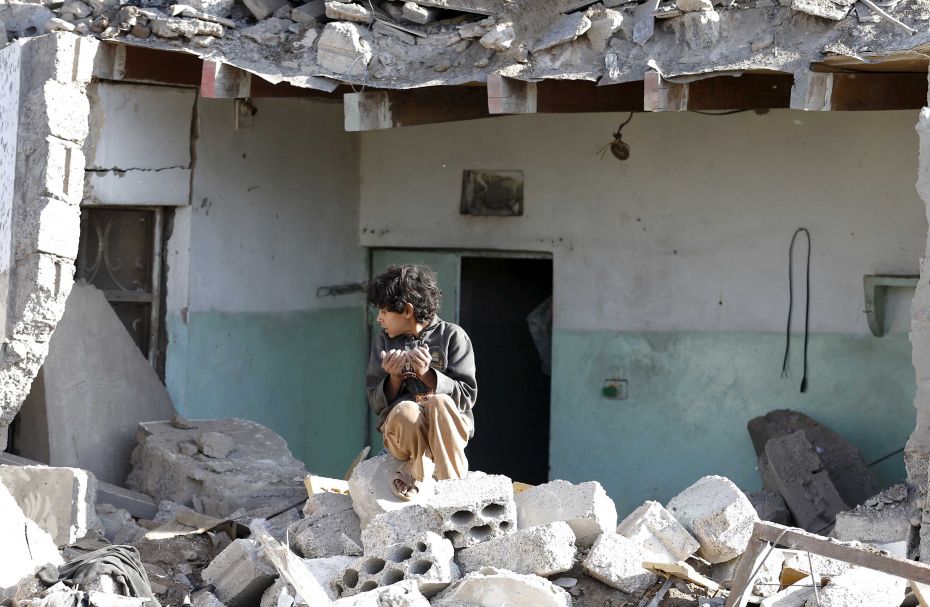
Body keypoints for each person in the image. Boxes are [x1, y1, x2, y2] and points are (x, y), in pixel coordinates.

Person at [366, 264, 477, 500]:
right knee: (406, 409)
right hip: (403, 437)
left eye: (384, 312)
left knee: (440, 403)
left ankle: (448, 488)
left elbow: (467, 397)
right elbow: (375, 402)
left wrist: (427, 375)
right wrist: (394, 378)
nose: (379, 319)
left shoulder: (453, 336)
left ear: (407, 311)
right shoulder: (383, 343)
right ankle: (422, 461)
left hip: (447, 433)